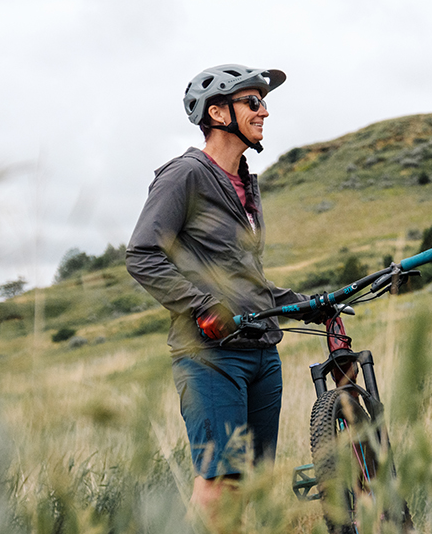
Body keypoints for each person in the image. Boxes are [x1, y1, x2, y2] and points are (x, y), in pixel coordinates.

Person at [126, 64, 326, 525]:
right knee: (219, 482)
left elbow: (242, 277)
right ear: (217, 113)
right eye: (253, 102)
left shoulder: (247, 184)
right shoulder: (185, 175)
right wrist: (200, 307)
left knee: (252, 481)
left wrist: (310, 302)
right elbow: (142, 254)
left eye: (264, 102)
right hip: (211, 355)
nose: (265, 111)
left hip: (261, 351)